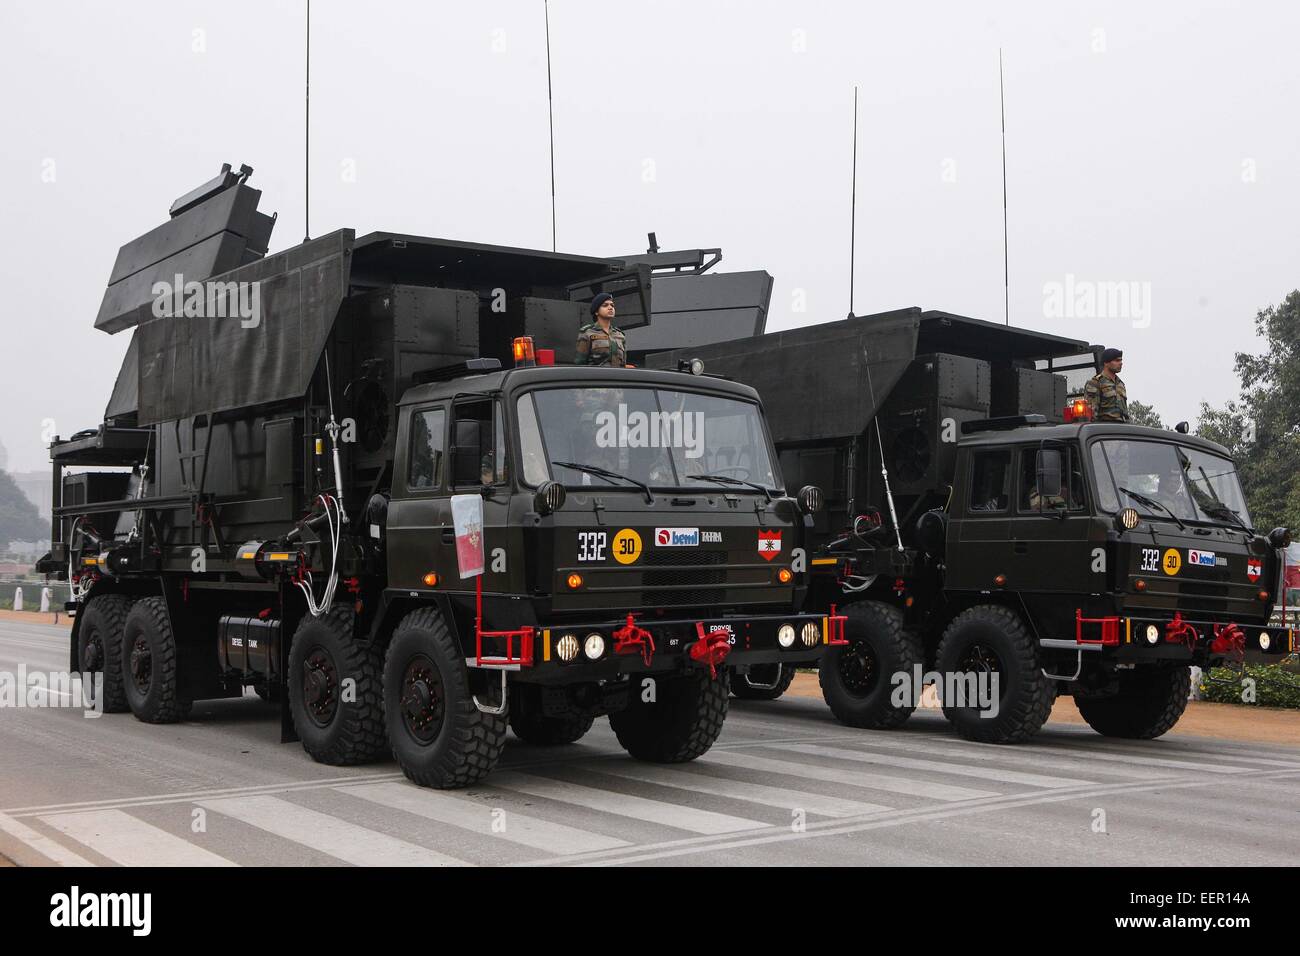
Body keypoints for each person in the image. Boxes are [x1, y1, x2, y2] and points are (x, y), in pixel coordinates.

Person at [575, 293, 633, 367]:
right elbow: (580, 364)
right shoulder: (587, 333)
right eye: (605, 305)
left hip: (616, 377)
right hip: (596, 377)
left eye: (612, 305)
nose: (610, 308)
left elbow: (623, 364)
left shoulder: (620, 335)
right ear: (596, 312)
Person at [1084, 348, 1129, 422]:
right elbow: (1091, 414)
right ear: (1106, 363)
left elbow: (1125, 414)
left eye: (1121, 360)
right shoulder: (1095, 383)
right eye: (1117, 360)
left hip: (1121, 428)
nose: (1121, 363)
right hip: (1105, 429)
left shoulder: (1121, 384)